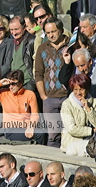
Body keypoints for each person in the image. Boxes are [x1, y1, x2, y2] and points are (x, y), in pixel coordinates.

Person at [0, 70, 45, 144]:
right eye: (10, 84)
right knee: (39, 134)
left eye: (14, 84)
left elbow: (35, 114)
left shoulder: (29, 94)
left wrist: (31, 126)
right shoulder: (4, 93)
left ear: (21, 83)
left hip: (26, 126)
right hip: (10, 128)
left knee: (43, 132)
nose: (11, 87)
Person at [35, 17, 70, 147]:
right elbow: (38, 73)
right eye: (48, 33)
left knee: (69, 132)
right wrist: (43, 96)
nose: (51, 35)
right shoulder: (42, 48)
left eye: (54, 31)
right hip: (49, 98)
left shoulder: (70, 45)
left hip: (67, 96)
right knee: (53, 135)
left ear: (61, 30)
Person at [60, 74, 96, 156]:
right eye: (75, 89)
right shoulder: (67, 104)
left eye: (81, 89)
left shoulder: (95, 102)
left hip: (91, 145)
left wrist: (88, 109)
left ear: (87, 89)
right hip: (71, 146)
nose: (78, 93)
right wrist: (91, 131)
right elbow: (71, 128)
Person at [9, 16, 36, 91]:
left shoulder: (32, 40)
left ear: (24, 27)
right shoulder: (12, 42)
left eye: (16, 29)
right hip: (14, 85)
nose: (14, 33)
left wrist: (32, 84)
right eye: (11, 30)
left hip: (27, 84)